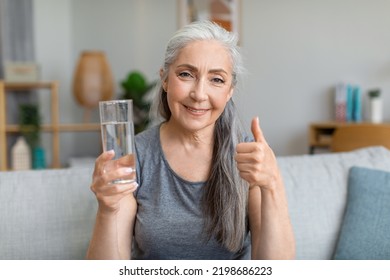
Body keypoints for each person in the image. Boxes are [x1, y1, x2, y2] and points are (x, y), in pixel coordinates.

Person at [87, 20, 295, 260]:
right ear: (164, 80)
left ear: (229, 91)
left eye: (216, 79)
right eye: (186, 74)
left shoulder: (249, 157)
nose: (198, 94)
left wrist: (272, 185)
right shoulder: (136, 156)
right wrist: (107, 209)